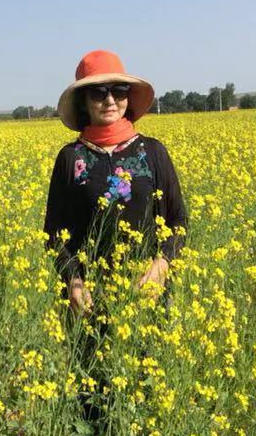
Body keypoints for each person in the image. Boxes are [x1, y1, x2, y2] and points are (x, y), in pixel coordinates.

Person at [44, 49, 188, 314]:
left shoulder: (153, 152)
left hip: (147, 295)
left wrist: (162, 264)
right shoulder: (70, 157)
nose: (110, 100)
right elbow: (53, 233)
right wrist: (73, 280)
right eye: (98, 93)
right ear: (83, 102)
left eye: (119, 91)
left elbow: (178, 220)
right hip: (88, 301)